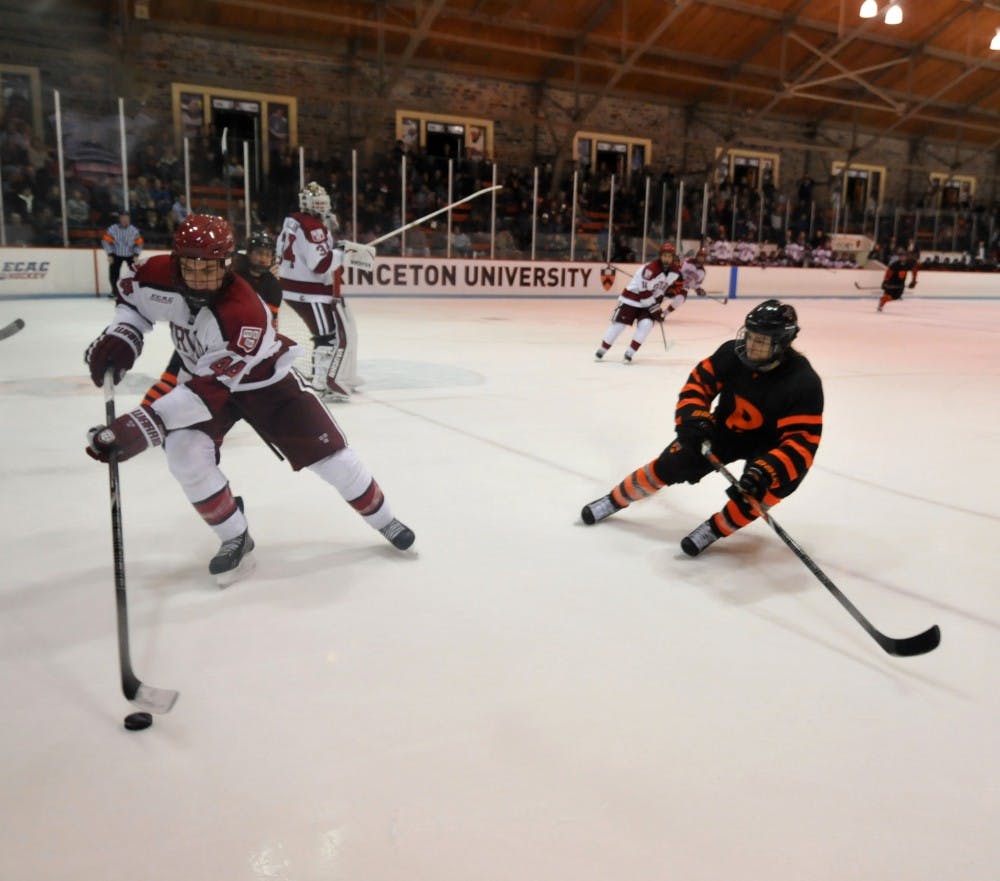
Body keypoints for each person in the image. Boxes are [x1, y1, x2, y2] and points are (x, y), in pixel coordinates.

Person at [83, 214, 414, 586]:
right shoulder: (154, 273)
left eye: (209, 266)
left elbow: (204, 396)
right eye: (189, 264)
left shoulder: (244, 313)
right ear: (176, 260)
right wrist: (123, 336)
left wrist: (138, 427)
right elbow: (134, 304)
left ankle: (384, 518)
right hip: (204, 379)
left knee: (332, 457)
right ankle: (234, 535)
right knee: (184, 454)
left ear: (227, 263)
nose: (197, 275)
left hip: (264, 383)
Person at [581, 299, 823, 557]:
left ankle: (715, 528)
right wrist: (692, 418)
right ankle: (614, 499)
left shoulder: (803, 383)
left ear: (783, 344)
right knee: (670, 464)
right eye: (750, 336)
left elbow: (801, 443)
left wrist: (765, 472)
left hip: (771, 447)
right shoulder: (731, 353)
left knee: (757, 494)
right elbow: (698, 385)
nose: (751, 345)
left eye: (762, 341)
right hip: (726, 431)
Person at [141, 228, 284, 407]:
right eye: (258, 253)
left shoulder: (273, 287)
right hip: (198, 332)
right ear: (248, 253)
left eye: (268, 254)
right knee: (172, 379)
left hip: (228, 344)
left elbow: (271, 322)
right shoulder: (233, 270)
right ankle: (144, 415)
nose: (263, 258)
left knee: (208, 388)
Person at [276, 182, 360, 401]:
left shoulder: (292, 220)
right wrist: (343, 254)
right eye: (317, 203)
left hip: (292, 288)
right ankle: (320, 384)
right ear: (307, 203)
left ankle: (322, 380)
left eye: (324, 202)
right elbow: (320, 265)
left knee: (326, 334)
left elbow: (285, 250)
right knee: (327, 338)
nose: (322, 206)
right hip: (311, 293)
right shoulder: (312, 227)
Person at [594, 242, 681, 363]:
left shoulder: (674, 272)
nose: (667, 258)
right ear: (660, 256)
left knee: (646, 325)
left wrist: (657, 305)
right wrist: (655, 309)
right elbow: (644, 292)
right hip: (632, 298)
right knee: (619, 325)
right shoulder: (650, 269)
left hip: (649, 301)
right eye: (665, 255)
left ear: (673, 257)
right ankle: (603, 349)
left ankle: (630, 352)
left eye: (670, 256)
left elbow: (660, 291)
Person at [101, 211, 144, 297]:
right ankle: (114, 291)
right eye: (123, 218)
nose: (125, 220)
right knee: (113, 274)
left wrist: (136, 254)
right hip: (116, 254)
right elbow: (105, 241)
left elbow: (139, 243)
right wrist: (110, 254)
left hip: (130, 255)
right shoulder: (113, 229)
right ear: (119, 219)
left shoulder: (134, 230)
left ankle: (135, 291)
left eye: (127, 218)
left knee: (135, 274)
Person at [877, 247, 919, 312]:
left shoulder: (909, 264)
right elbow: (888, 274)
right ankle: (881, 304)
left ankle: (883, 300)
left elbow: (914, 270)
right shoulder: (894, 265)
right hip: (891, 283)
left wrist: (913, 281)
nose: (902, 258)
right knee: (889, 295)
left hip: (900, 284)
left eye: (904, 256)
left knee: (895, 297)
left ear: (906, 257)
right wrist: (885, 281)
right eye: (901, 256)